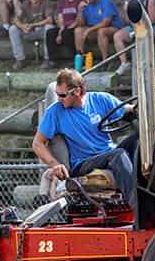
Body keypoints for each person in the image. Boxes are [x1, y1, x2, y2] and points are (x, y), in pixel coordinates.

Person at [32, 68, 136, 208]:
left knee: (138, 141)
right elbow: (38, 143)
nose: (59, 99)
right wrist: (55, 165)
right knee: (118, 154)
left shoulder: (101, 99)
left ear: (77, 91)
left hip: (107, 154)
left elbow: (129, 109)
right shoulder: (55, 112)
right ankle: (138, 207)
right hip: (83, 163)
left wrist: (148, 98)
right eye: (57, 95)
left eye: (62, 95)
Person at [76, 0, 127, 75]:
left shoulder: (105, 1)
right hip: (94, 29)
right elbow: (81, 23)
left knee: (102, 31)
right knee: (78, 30)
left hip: (114, 28)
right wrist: (80, 10)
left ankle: (105, 61)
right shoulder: (86, 4)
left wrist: (88, 30)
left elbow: (106, 22)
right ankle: (80, 60)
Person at [113, 0, 155, 73]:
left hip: (150, 27)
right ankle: (124, 63)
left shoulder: (150, 0)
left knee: (142, 34)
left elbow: (152, 21)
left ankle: (144, 64)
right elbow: (128, 21)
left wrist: (138, 27)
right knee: (117, 36)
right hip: (134, 27)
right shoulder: (132, 1)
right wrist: (125, 11)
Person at [8, 0, 53, 71]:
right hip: (30, 31)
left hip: (42, 30)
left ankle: (47, 60)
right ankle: (20, 59)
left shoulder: (46, 3)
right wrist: (22, 26)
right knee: (13, 29)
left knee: (49, 28)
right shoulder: (25, 4)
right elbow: (15, 19)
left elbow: (49, 20)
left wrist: (32, 25)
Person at [45, 0, 84, 64]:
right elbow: (60, 19)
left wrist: (64, 31)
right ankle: (52, 60)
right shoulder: (61, 2)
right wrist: (60, 32)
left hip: (76, 26)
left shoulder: (80, 0)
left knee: (66, 34)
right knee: (50, 32)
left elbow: (79, 19)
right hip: (64, 27)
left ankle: (75, 58)